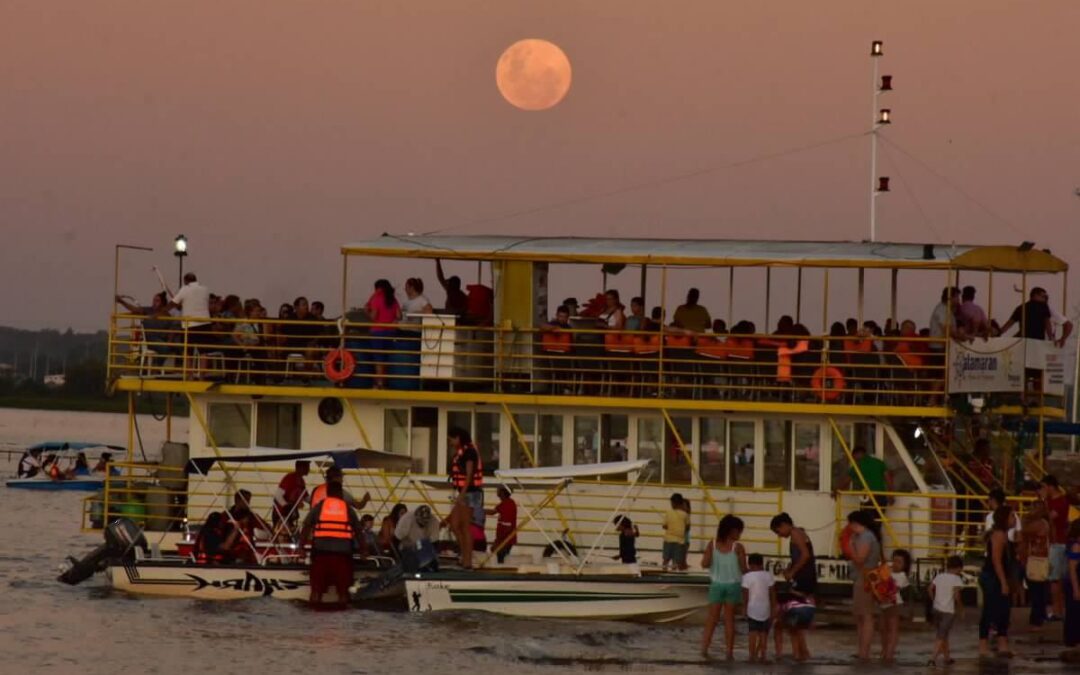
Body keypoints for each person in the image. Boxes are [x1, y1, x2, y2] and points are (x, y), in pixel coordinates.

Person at [300, 482, 363, 610]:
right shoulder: (347, 508)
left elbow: (306, 525)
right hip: (342, 557)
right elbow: (358, 530)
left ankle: (312, 615)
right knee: (343, 593)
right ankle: (342, 617)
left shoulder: (320, 507)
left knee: (316, 592)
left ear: (328, 493)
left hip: (321, 555)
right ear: (341, 493)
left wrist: (301, 547)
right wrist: (364, 549)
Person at [701, 515, 746, 660]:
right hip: (733, 585)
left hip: (716, 585)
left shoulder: (712, 544)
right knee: (729, 620)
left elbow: (705, 564)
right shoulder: (738, 547)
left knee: (711, 619)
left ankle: (704, 649)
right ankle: (729, 652)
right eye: (739, 531)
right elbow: (743, 569)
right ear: (732, 531)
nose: (740, 534)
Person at [846, 509, 883, 662]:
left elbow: (860, 558)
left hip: (865, 578)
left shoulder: (866, 537)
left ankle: (864, 652)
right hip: (863, 578)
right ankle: (862, 650)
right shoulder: (864, 536)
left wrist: (850, 547)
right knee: (860, 615)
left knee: (866, 616)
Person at [979, 505, 1015, 658]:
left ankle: (1002, 642)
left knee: (1004, 610)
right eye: (1012, 516)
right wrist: (1003, 582)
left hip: (1000, 576)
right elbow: (996, 560)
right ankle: (983, 644)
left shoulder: (1005, 535)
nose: (1014, 519)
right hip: (993, 577)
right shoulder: (998, 535)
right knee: (991, 610)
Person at [447, 426, 484, 569]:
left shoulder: (469, 452)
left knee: (465, 526)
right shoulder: (460, 452)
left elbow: (469, 476)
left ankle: (467, 561)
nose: (450, 442)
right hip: (463, 492)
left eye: (451, 439)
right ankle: (464, 556)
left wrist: (461, 495)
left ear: (458, 438)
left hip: (470, 493)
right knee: (455, 525)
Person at [1041, 475, 1073, 620]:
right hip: (1054, 542)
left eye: (1044, 487)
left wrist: (1043, 503)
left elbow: (1050, 516)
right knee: (1056, 578)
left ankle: (1057, 610)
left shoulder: (1060, 501)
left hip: (1058, 543)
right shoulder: (1051, 501)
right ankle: (1059, 609)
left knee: (1055, 578)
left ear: (1050, 486)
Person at [168, 273, 213, 374]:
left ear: (185, 281)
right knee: (203, 353)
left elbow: (173, 304)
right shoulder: (205, 289)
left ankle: (189, 377)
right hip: (205, 324)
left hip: (190, 325)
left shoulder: (184, 289)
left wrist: (159, 313)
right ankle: (202, 378)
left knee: (188, 353)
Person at [928, 555, 965, 667]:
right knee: (941, 635)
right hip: (948, 610)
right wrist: (961, 608)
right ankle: (932, 659)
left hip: (936, 608)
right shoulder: (956, 579)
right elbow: (957, 596)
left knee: (944, 634)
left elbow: (929, 589)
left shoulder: (939, 576)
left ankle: (947, 657)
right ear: (958, 568)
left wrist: (934, 600)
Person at [365, 280, 402, 389]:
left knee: (378, 359)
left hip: (378, 332)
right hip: (391, 332)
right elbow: (399, 316)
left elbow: (373, 317)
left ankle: (379, 383)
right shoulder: (393, 299)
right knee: (386, 358)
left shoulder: (377, 299)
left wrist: (366, 311)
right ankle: (385, 382)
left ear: (378, 289)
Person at [1021, 499, 1051, 632]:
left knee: (1036, 591)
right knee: (1037, 590)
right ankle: (1040, 616)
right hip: (1034, 558)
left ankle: (1037, 619)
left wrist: (1027, 517)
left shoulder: (1040, 524)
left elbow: (1024, 530)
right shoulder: (1041, 523)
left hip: (1038, 559)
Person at [742, 552, 777, 663]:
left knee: (752, 633)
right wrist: (773, 608)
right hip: (765, 609)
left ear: (750, 565)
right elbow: (772, 593)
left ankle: (751, 656)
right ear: (761, 564)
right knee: (763, 634)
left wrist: (744, 609)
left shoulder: (746, 577)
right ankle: (763, 656)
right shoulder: (768, 575)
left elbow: (745, 595)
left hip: (752, 608)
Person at [838, 445, 892, 509]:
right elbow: (889, 480)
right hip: (881, 497)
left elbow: (846, 480)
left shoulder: (858, 465)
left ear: (858, 454)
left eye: (854, 457)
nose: (854, 459)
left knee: (865, 517)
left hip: (868, 497)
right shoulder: (879, 462)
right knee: (878, 518)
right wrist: (891, 495)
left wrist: (837, 490)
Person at [881, 549, 911, 663]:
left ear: (904, 565)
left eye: (899, 562)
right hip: (883, 604)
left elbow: (894, 589)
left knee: (893, 629)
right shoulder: (888, 569)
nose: (895, 564)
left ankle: (889, 653)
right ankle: (884, 650)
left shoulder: (902, 576)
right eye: (894, 561)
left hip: (894, 603)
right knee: (883, 628)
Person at [394, 504, 440, 572]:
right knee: (412, 562)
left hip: (424, 545)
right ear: (416, 517)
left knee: (433, 564)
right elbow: (398, 538)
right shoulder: (406, 519)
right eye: (421, 521)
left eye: (425, 521)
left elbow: (434, 541)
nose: (423, 524)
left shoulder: (434, 521)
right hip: (407, 544)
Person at [272, 460, 310, 532]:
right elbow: (278, 495)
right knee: (283, 532)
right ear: (300, 467)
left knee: (292, 531)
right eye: (307, 466)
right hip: (281, 513)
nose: (309, 469)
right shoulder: (289, 478)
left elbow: (305, 496)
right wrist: (287, 506)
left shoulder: (301, 480)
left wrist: (316, 502)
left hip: (290, 513)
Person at [486, 486, 517, 563]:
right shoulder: (504, 503)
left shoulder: (508, 504)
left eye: (498, 490)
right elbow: (493, 512)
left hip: (506, 539)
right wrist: (477, 510)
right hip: (504, 538)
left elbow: (507, 527)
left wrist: (498, 542)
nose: (497, 491)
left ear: (502, 493)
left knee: (501, 558)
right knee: (500, 557)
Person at [662, 493, 689, 571]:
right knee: (676, 561)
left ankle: (664, 572)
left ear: (673, 503)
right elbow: (687, 527)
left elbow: (664, 526)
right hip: (680, 541)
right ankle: (674, 573)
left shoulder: (668, 513)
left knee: (666, 559)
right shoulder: (685, 515)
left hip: (668, 540)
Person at [1065, 518, 1080, 648]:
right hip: (1075, 584)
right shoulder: (1076, 547)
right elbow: (1072, 569)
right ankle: (1073, 640)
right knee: (1075, 612)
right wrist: (1076, 589)